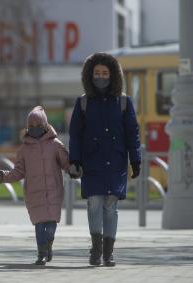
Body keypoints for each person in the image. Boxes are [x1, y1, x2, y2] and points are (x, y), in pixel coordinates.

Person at [68, 52, 141, 266]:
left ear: (113, 75)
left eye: (105, 73)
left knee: (111, 206)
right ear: (90, 76)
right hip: (92, 163)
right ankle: (96, 250)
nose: (101, 76)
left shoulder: (124, 102)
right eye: (97, 73)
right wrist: (75, 160)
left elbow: (132, 133)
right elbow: (75, 134)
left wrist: (135, 159)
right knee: (93, 204)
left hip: (116, 163)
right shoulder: (82, 103)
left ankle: (109, 252)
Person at [0, 106, 70, 266]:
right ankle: (41, 253)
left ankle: (49, 244)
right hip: (34, 193)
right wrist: (3, 177)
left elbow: (66, 164)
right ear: (27, 128)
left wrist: (75, 169)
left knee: (51, 224)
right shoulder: (24, 150)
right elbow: (18, 171)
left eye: (38, 126)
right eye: (31, 126)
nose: (34, 129)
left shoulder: (56, 145)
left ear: (45, 125)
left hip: (54, 191)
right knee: (39, 225)